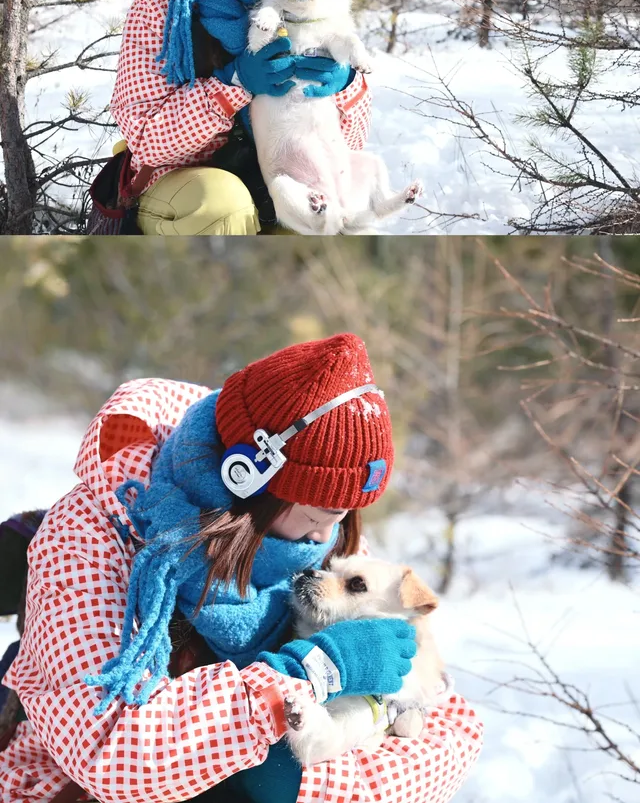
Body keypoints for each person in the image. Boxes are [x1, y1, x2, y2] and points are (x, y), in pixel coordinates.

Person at [0, 334, 483, 803]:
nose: (325, 542)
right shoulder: (95, 534)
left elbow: (451, 734)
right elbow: (110, 751)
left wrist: (314, 766)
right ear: (246, 478)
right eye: (317, 518)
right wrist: (307, 675)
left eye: (342, 520)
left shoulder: (321, 546)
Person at [110, 0, 372, 235]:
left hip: (283, 176)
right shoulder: (165, 5)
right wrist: (233, 84)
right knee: (224, 205)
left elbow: (348, 142)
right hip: (181, 186)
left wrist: (344, 86)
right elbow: (147, 140)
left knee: (344, 213)